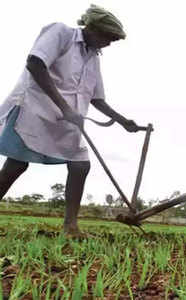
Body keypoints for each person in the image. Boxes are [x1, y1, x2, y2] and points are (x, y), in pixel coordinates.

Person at [0, 5, 140, 236]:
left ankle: (70, 226)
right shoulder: (61, 33)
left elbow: (97, 99)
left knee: (80, 164)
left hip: (67, 121)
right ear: (94, 29)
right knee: (15, 166)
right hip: (34, 110)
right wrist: (65, 107)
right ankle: (70, 225)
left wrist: (124, 121)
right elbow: (35, 63)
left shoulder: (92, 57)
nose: (109, 43)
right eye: (108, 38)